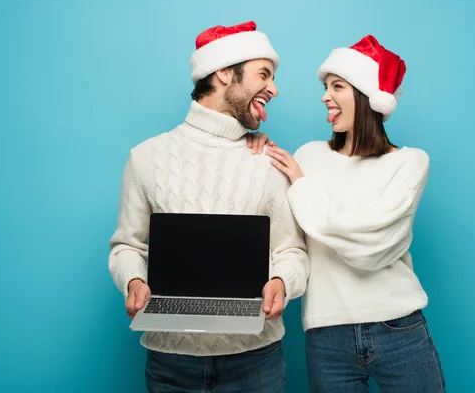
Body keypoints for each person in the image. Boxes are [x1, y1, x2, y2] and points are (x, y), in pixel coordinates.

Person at [108, 21, 309, 393]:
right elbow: (128, 246)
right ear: (223, 72)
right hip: (170, 362)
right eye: (264, 74)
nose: (274, 89)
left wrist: (283, 281)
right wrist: (133, 280)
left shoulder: (268, 161)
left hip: (256, 361)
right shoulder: (146, 157)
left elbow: (291, 250)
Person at [248, 35, 446, 392]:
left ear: (367, 96)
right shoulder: (307, 157)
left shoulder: (410, 162)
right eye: (325, 87)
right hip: (326, 335)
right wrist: (253, 143)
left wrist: (304, 189)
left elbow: (373, 249)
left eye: (337, 86)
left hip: (398, 327)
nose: (325, 95)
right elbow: (283, 227)